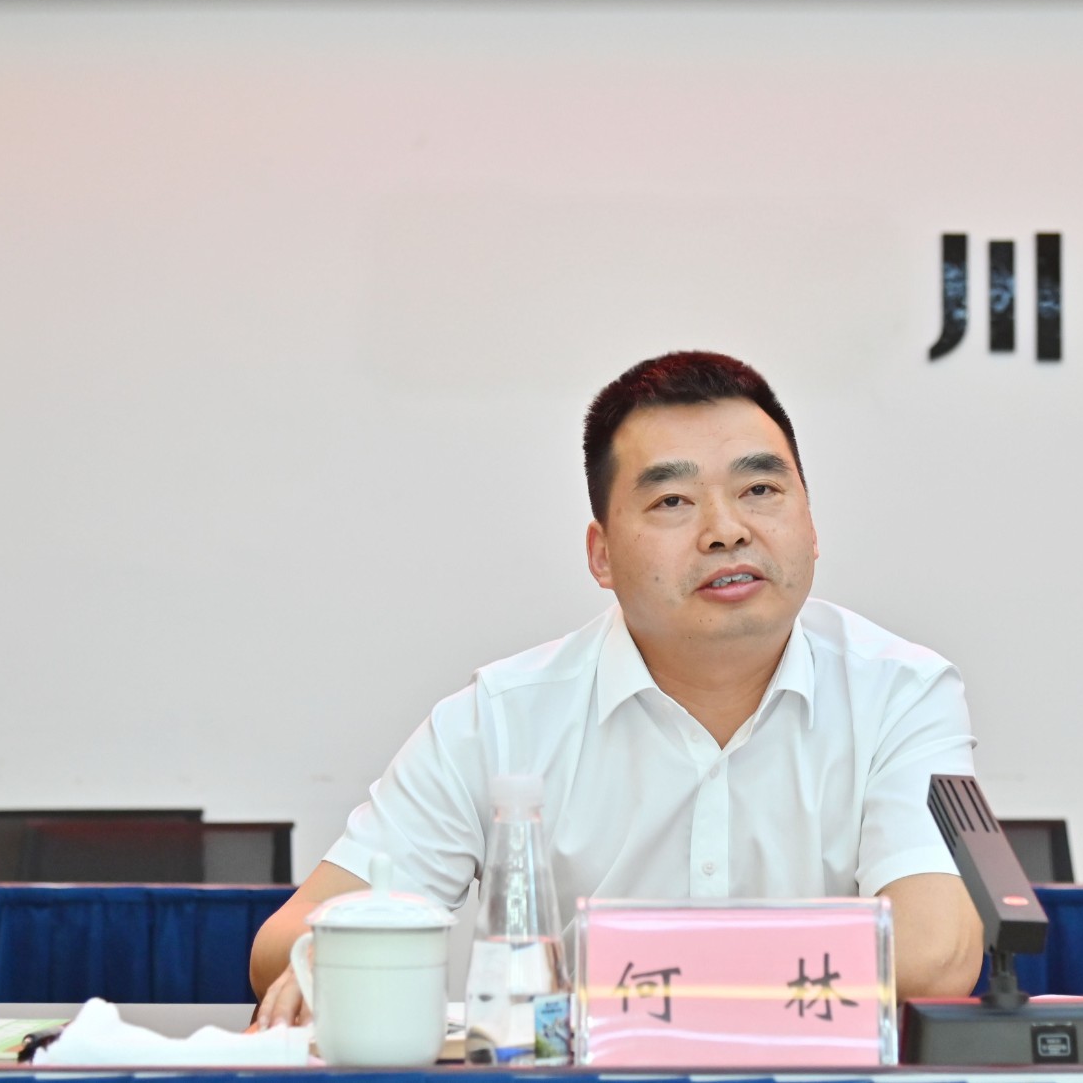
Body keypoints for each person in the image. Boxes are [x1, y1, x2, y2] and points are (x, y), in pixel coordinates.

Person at [251, 351, 984, 1025]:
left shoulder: (900, 693)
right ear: (601, 555)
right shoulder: (501, 719)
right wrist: (332, 960)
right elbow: (288, 943)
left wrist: (627, 982)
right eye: (672, 502)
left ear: (812, 525)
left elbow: (936, 955)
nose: (726, 531)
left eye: (760, 489)